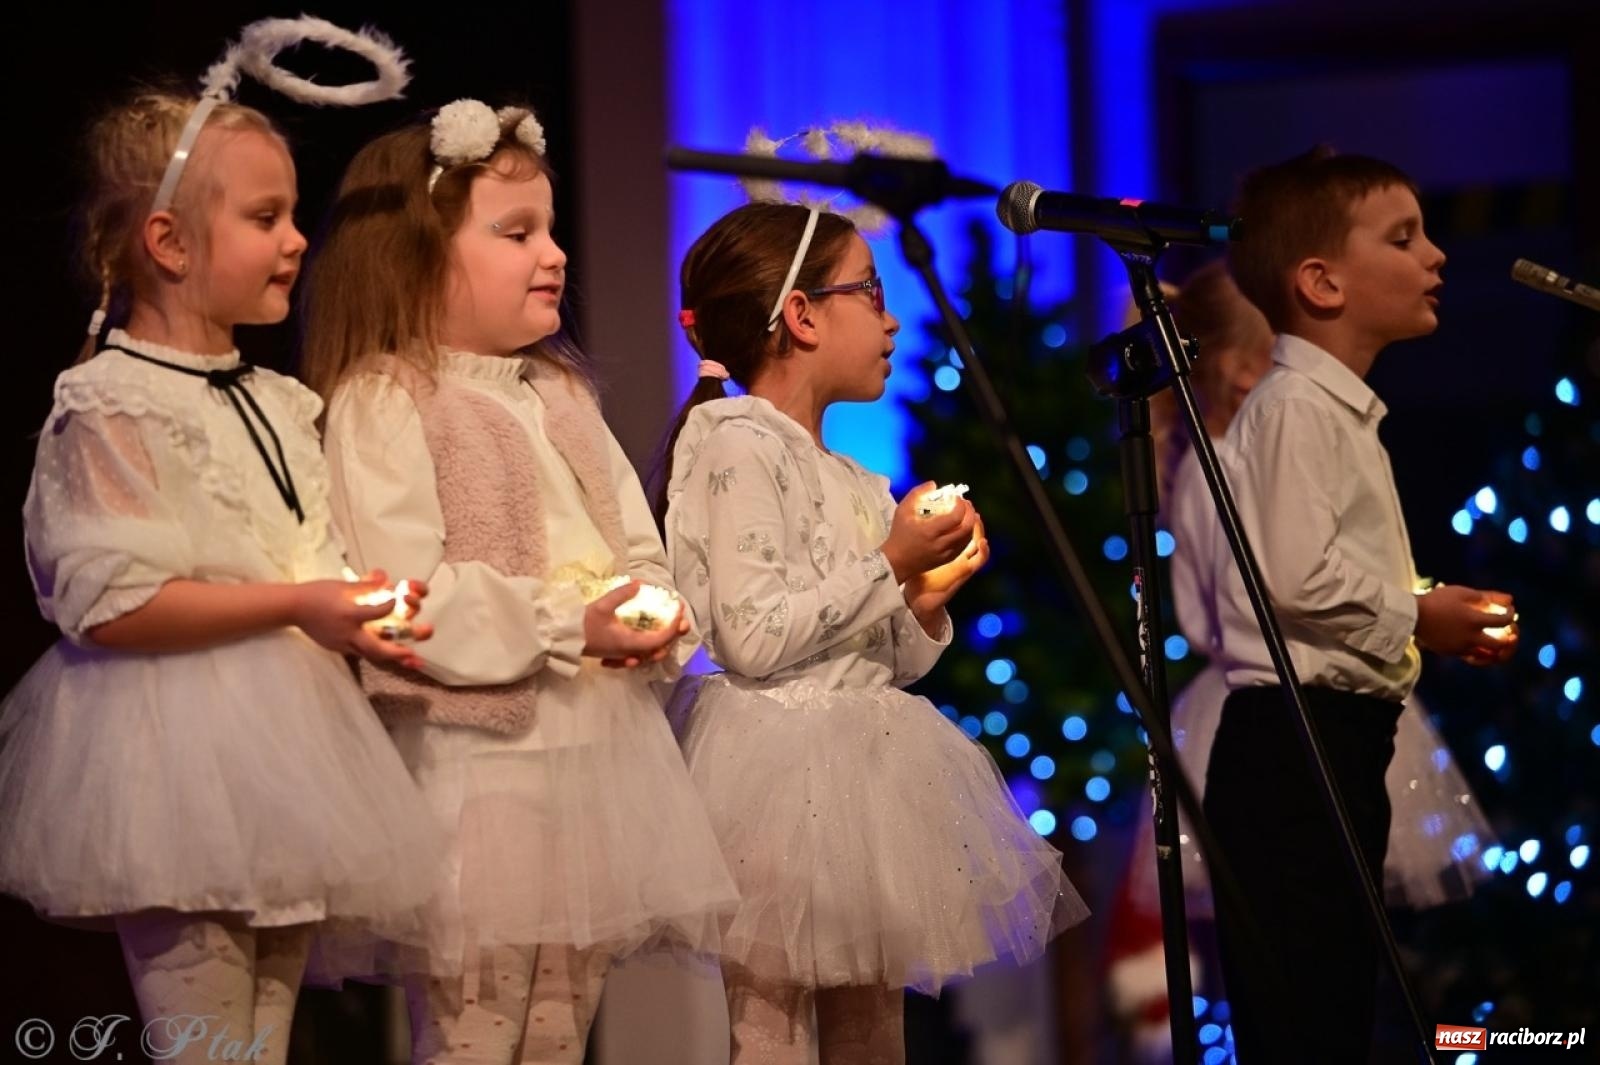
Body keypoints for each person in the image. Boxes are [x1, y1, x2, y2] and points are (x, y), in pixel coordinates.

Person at [0, 46, 441, 1065]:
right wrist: (297, 606)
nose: (296, 240)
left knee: (265, 1044)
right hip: (170, 760)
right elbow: (110, 605)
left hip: (291, 754)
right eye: (265, 218)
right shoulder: (111, 399)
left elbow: (305, 554)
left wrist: (366, 609)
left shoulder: (282, 402)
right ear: (168, 240)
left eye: (293, 215)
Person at [303, 99, 737, 1065]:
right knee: (474, 1028)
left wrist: (650, 606)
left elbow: (634, 536)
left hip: (594, 764)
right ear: (417, 256)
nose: (555, 254)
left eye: (550, 229)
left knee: (557, 1032)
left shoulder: (562, 397)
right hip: (476, 772)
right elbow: (403, 595)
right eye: (515, 233)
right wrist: (570, 623)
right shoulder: (388, 399)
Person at [658, 201, 1088, 1064]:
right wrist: (890, 560)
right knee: (771, 1029)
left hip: (866, 768)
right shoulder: (737, 443)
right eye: (871, 290)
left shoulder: (857, 477)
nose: (892, 318)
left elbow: (883, 658)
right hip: (773, 773)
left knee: (873, 1032)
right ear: (803, 314)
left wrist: (925, 596)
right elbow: (752, 635)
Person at [1205, 146, 1517, 1062]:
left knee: (1334, 994)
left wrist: (1429, 606)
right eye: (1404, 237)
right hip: (1294, 742)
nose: (1437, 257)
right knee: (1306, 1011)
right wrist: (1419, 616)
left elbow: (1320, 568)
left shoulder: (1334, 410)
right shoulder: (1298, 406)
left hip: (1334, 736)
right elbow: (1297, 581)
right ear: (1322, 281)